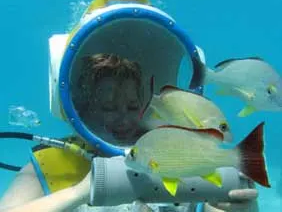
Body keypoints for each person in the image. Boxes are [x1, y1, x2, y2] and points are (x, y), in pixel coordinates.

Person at [0, 53, 259, 212]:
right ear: (84, 109)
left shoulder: (171, 151)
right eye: (109, 107)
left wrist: (244, 209)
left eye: (133, 106)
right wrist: (81, 191)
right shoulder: (53, 162)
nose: (124, 118)